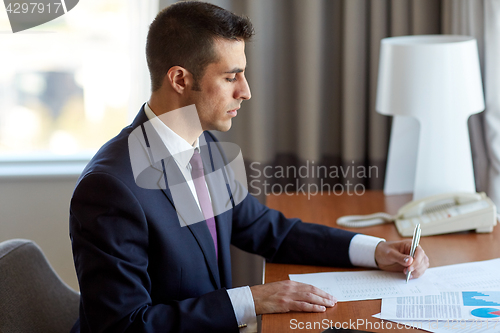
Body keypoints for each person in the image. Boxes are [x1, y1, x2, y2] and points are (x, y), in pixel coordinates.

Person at [69, 1, 429, 332]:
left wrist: (375, 250)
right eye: (230, 77)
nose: (246, 91)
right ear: (180, 80)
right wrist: (253, 300)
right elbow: (123, 327)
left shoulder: (201, 144)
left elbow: (267, 229)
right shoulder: (110, 188)